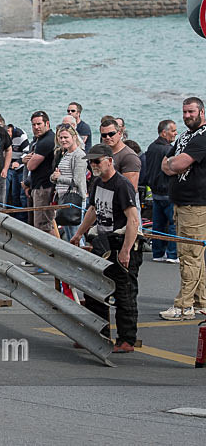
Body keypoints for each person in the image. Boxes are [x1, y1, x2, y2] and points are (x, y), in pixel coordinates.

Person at [71, 143, 142, 354]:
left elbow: (133, 219)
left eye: (97, 161)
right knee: (95, 290)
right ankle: (99, 335)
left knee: (124, 293)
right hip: (104, 243)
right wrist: (78, 234)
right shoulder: (96, 182)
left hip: (122, 242)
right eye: (91, 162)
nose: (93, 165)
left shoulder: (121, 185)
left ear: (109, 161)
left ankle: (127, 339)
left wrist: (126, 250)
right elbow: (93, 209)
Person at [159, 97, 206, 320]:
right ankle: (201, 301)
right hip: (180, 202)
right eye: (184, 112)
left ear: (202, 112)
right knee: (194, 255)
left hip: (195, 205)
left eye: (191, 112)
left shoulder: (203, 137)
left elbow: (175, 164)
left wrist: (173, 165)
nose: (187, 116)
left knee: (189, 255)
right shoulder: (186, 136)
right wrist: (173, 164)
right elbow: (165, 163)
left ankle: (183, 305)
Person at [145, 119, 178, 263]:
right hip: (167, 191)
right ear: (164, 133)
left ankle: (157, 252)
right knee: (173, 223)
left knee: (158, 224)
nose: (175, 133)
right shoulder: (168, 150)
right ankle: (172, 253)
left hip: (155, 191)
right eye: (173, 131)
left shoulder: (151, 147)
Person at [50, 125, 87, 242]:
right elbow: (56, 175)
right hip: (63, 199)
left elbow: (78, 181)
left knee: (76, 235)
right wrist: (54, 177)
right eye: (60, 138)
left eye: (66, 137)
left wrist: (59, 178)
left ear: (74, 137)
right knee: (69, 235)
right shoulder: (65, 154)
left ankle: (82, 257)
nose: (63, 140)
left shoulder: (79, 155)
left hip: (75, 200)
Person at [23, 111, 56, 235]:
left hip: (44, 188)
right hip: (39, 185)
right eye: (33, 125)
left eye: (39, 124)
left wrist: (26, 160)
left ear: (47, 123)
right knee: (46, 223)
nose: (36, 127)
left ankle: (53, 252)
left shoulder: (46, 141)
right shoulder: (40, 140)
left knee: (43, 226)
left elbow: (31, 166)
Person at [100, 118, 140, 191]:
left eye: (111, 134)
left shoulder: (129, 157)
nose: (107, 137)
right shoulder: (103, 153)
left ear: (119, 133)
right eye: (104, 135)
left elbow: (130, 190)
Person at [7, 122, 30, 222]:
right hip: (10, 167)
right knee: (14, 194)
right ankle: (15, 217)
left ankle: (23, 218)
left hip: (21, 168)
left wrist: (18, 162)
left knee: (22, 195)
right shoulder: (3, 136)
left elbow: (27, 152)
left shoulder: (21, 135)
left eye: (8, 132)